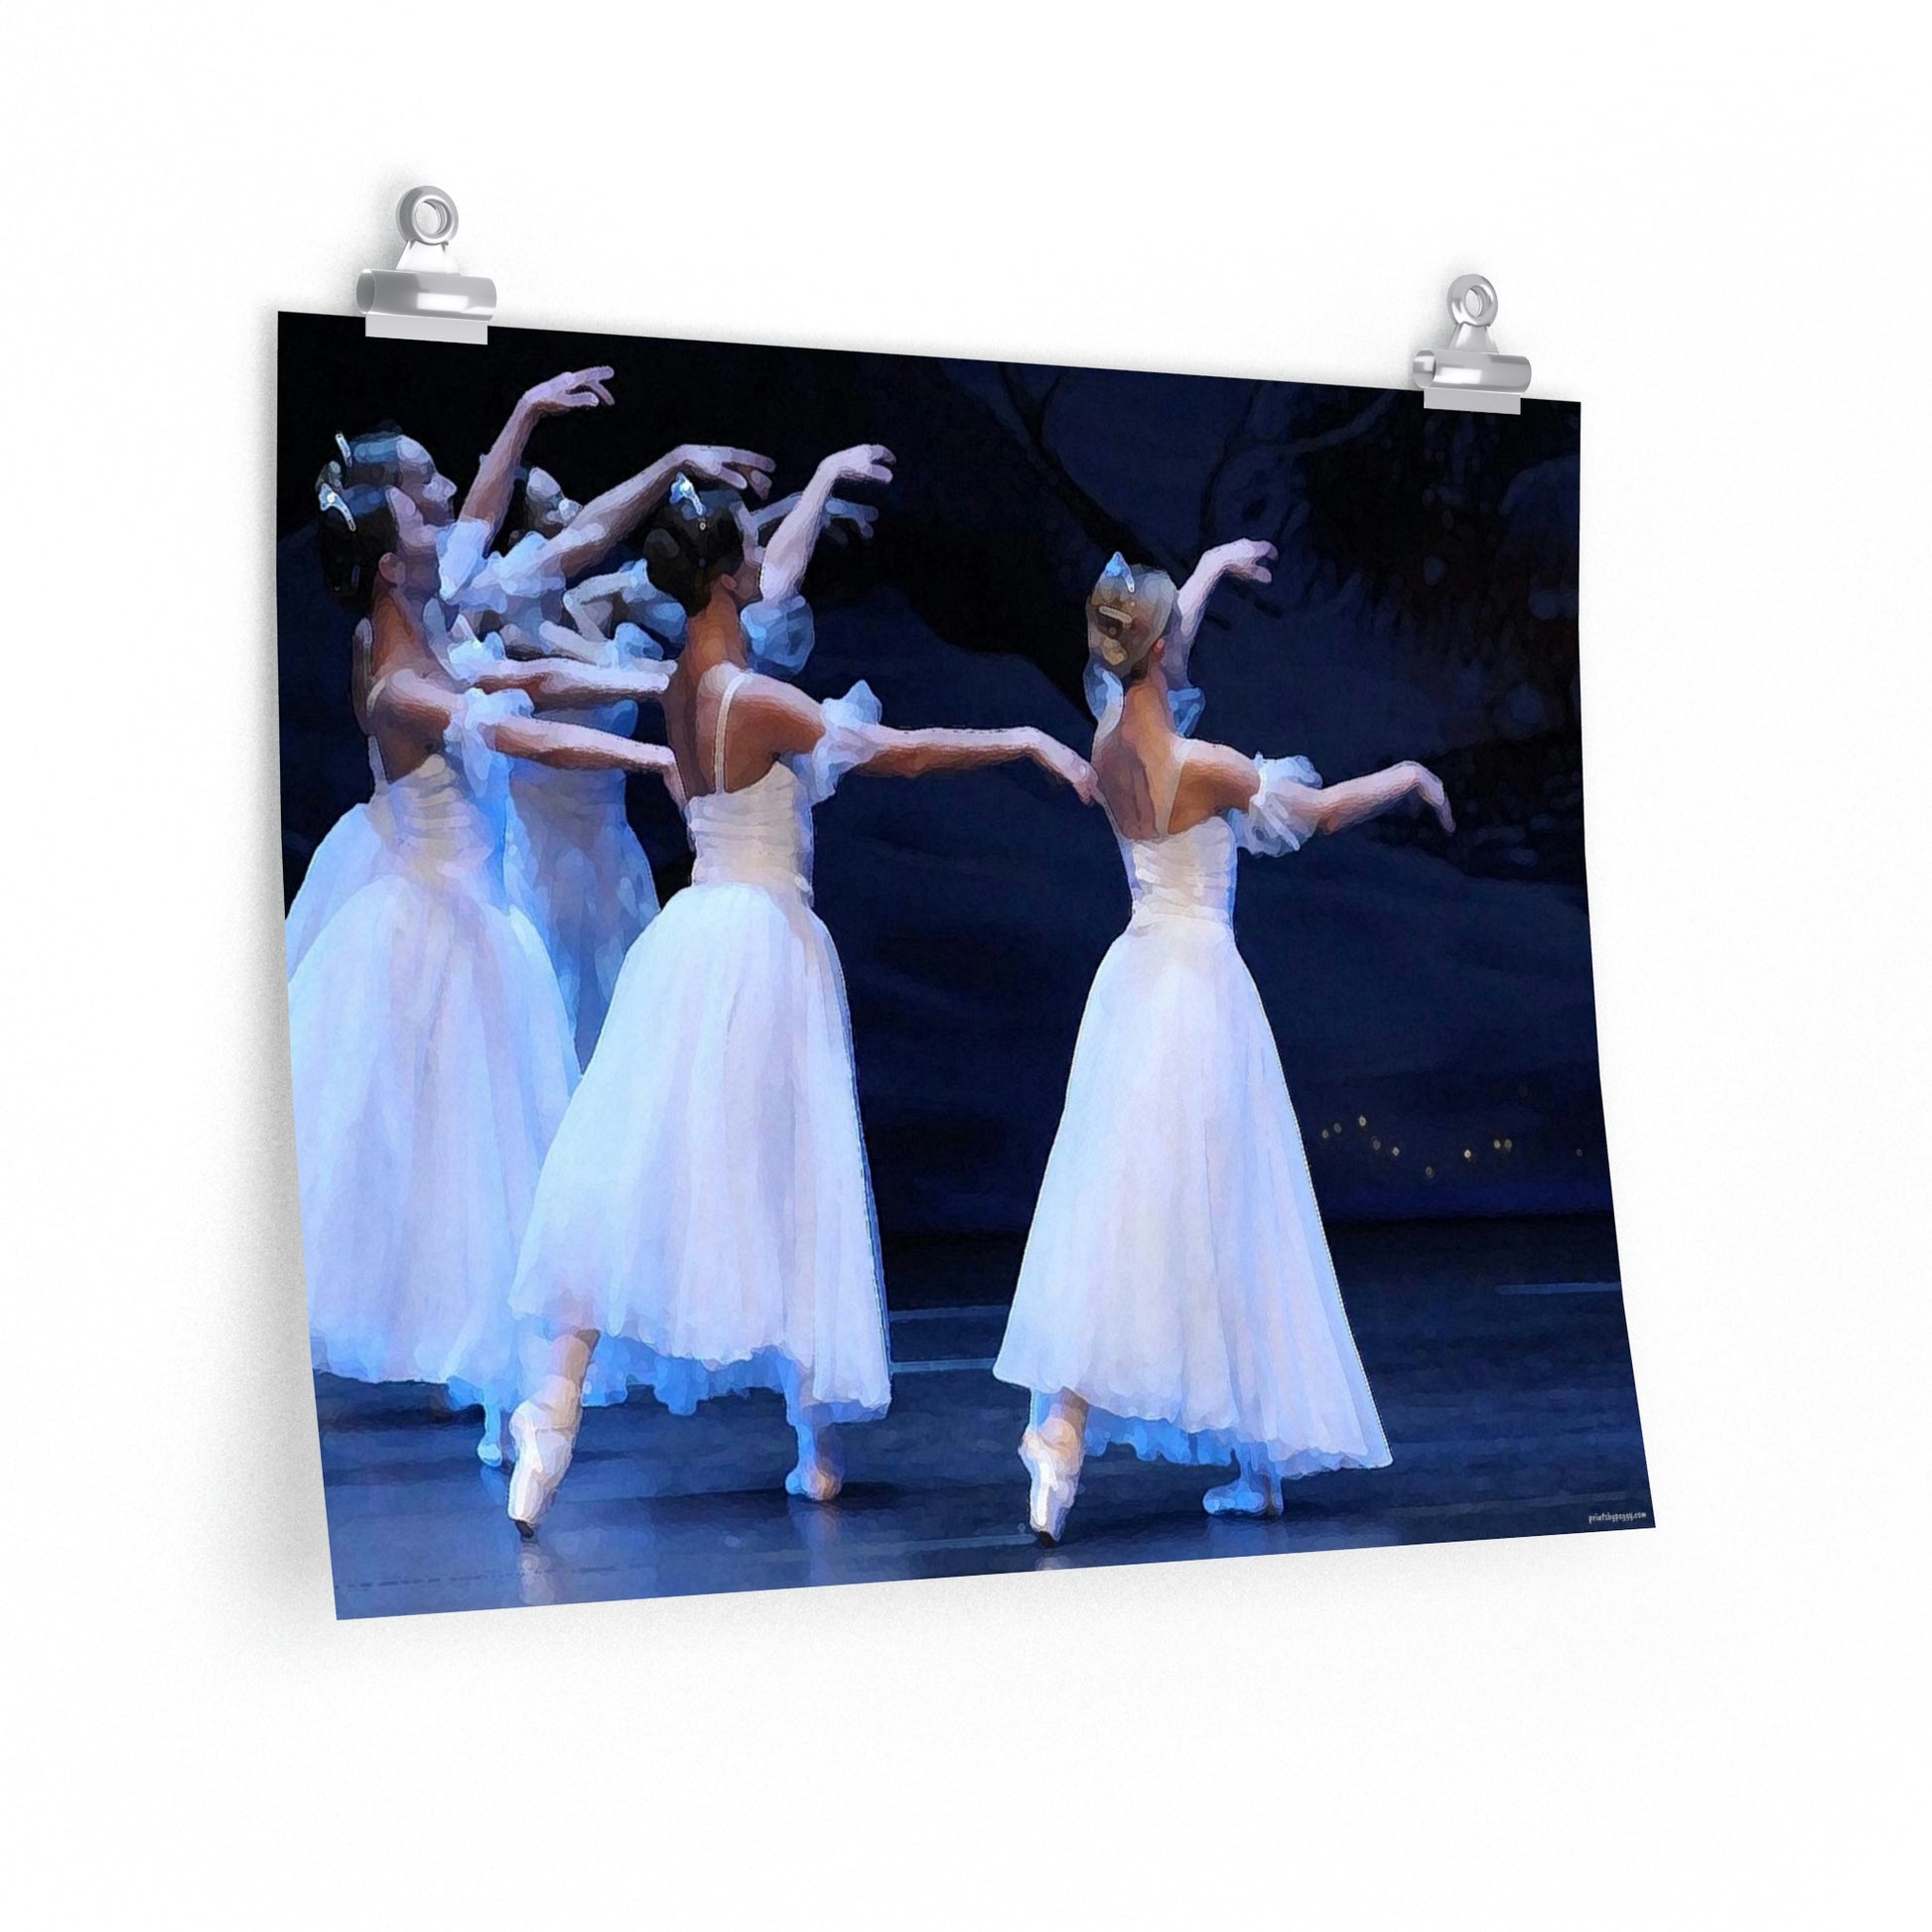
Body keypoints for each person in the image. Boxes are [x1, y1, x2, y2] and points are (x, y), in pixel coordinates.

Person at [503, 447, 1100, 1533]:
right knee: (792, 1174)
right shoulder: (751, 695)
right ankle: (811, 1437)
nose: (766, 571)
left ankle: (556, 1408)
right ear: (727, 574)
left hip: (694, 938)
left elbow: (753, 584)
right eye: (750, 557)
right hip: (765, 944)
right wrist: (1017, 736)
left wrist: (817, 481)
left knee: (636, 1161)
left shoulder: (679, 679)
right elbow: (901, 752)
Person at [991, 551, 1456, 1540]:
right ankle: (1075, 1433)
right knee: (1215, 1209)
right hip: (1197, 991)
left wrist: (1201, 570)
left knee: (1138, 1205)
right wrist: (1407, 773)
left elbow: (1157, 646)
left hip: (1133, 981)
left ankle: (1117, 1443)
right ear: (1161, 650)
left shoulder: (1109, 738)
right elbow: (1319, 814)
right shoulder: (1201, 767)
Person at [290, 478, 678, 1463]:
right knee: (450, 1160)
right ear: (386, 560)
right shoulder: (394, 677)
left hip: (476, 920)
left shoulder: (426, 639)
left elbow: (526, 685)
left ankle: (497, 1373)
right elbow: (510, 729)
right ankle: (493, 1370)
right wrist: (643, 761)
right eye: (418, 519)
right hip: (430, 933)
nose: (441, 521)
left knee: (482, 1163)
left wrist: (651, 687)